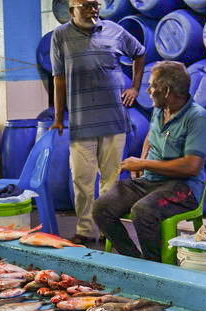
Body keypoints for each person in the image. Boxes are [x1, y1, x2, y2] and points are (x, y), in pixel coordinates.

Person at [93, 61, 206, 263]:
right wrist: (143, 160)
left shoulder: (198, 118)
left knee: (143, 211)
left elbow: (191, 166)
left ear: (166, 91)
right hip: (151, 181)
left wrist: (144, 164)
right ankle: (134, 261)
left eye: (152, 86)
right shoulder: (160, 109)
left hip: (183, 188)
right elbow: (152, 134)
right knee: (101, 208)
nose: (148, 91)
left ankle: (154, 267)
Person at [51, 0, 145, 245]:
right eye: (87, 5)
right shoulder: (60, 36)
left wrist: (135, 87)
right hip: (81, 123)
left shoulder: (114, 31)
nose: (94, 9)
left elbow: (139, 52)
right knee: (81, 180)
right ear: (72, 9)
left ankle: (107, 229)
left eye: (96, 4)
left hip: (114, 121)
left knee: (111, 180)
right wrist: (58, 117)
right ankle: (84, 229)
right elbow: (58, 78)